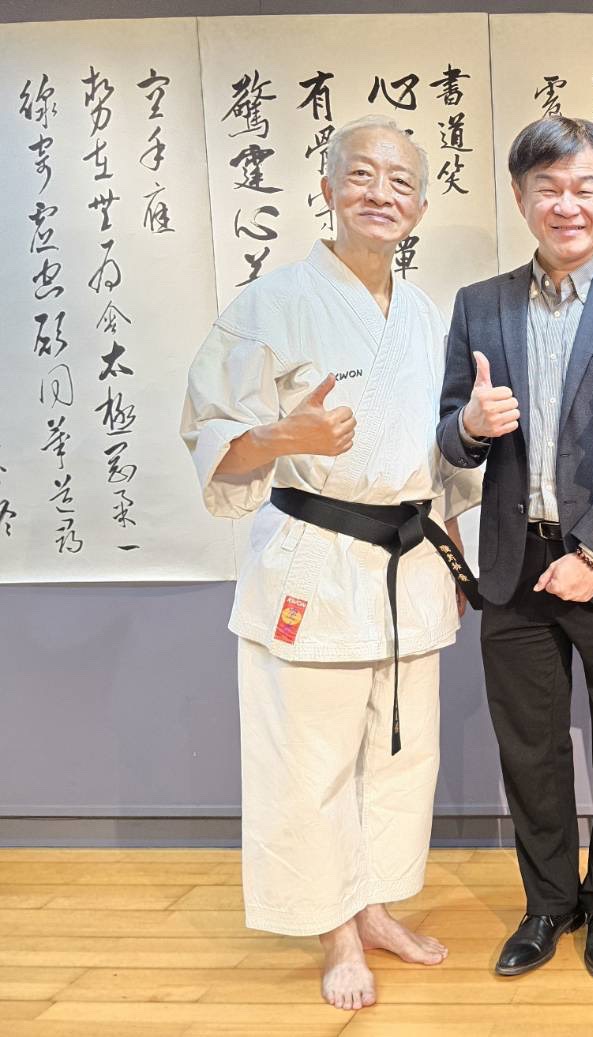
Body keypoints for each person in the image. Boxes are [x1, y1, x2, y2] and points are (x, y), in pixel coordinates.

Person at [180, 114, 480, 1012]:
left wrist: (451, 558)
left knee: (399, 752)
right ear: (327, 190)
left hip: (407, 562)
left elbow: (435, 455)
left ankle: (374, 906)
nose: (380, 193)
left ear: (419, 205)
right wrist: (284, 435)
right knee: (308, 760)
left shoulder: (423, 315)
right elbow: (212, 439)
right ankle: (334, 931)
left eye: (400, 181)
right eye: (361, 175)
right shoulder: (268, 306)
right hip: (314, 557)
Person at [436, 115, 593, 981]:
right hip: (511, 566)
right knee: (529, 750)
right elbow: (449, 434)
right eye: (548, 187)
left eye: (584, 187)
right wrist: (470, 426)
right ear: (520, 197)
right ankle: (547, 903)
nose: (566, 204)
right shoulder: (479, 304)